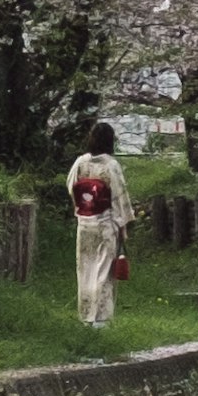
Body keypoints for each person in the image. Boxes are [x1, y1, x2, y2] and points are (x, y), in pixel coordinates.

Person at [67, 119, 129, 330]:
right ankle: (100, 319)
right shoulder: (110, 166)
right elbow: (119, 197)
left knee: (85, 269)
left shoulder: (80, 163)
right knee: (103, 272)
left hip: (84, 223)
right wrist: (122, 226)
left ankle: (85, 316)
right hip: (105, 225)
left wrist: (82, 208)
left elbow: (71, 187)